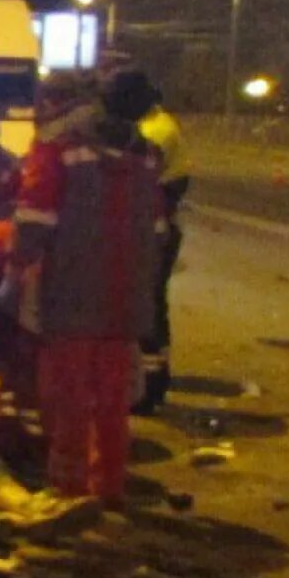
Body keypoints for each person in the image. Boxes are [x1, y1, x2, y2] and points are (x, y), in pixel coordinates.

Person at [10, 70, 164, 506]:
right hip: (125, 300)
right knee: (113, 401)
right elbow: (155, 231)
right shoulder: (146, 156)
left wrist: (14, 274)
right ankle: (109, 485)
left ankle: (69, 489)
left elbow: (33, 221)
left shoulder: (59, 147)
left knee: (68, 397)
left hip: (71, 293)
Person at [101, 67, 191, 411]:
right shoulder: (155, 125)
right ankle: (151, 379)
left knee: (147, 307)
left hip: (153, 233)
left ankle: (150, 385)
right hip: (155, 228)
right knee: (150, 306)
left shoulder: (153, 133)